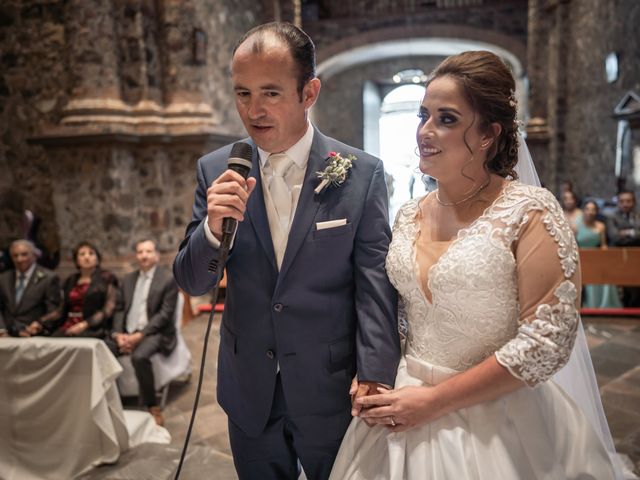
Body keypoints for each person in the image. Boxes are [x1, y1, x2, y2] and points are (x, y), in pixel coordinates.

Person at [329, 51, 619, 479]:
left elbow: (546, 343)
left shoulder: (529, 212)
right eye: (423, 115)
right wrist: (373, 372)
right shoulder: (409, 214)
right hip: (402, 398)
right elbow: (397, 311)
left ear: (488, 135)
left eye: (447, 119)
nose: (425, 132)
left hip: (498, 417)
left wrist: (433, 402)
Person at [173, 22, 400, 480]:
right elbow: (193, 282)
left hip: (331, 388)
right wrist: (213, 232)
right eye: (242, 93)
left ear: (309, 92)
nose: (253, 110)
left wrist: (376, 372)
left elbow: (374, 282)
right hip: (249, 389)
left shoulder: (360, 173)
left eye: (271, 93)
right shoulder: (216, 169)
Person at [106, 239, 178, 426]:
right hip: (127, 332)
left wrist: (140, 335)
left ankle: (151, 405)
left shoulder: (167, 279)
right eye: (140, 252)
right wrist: (117, 334)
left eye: (148, 251)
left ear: (156, 255)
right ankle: (107, 402)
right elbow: (120, 309)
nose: (144, 255)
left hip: (156, 333)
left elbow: (165, 315)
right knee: (103, 348)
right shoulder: (128, 279)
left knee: (139, 356)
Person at [53, 241, 118, 338]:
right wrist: (40, 323)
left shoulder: (107, 278)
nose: (87, 257)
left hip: (94, 327)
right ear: (77, 260)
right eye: (82, 254)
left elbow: (107, 310)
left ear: (97, 259)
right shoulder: (70, 280)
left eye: (91, 253)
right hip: (68, 324)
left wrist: (85, 324)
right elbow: (61, 309)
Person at [0, 240, 61, 337]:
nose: (19, 259)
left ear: (34, 255)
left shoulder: (49, 278)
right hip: (6, 335)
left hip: (34, 336)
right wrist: (2, 330)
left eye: (24, 255)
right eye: (15, 256)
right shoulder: (3, 278)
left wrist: (39, 325)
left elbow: (54, 311)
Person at [576, 200, 623, 309]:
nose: (590, 212)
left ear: (597, 212)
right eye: (587, 209)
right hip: (580, 257)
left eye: (593, 209)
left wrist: (604, 254)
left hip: (595, 256)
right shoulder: (575, 226)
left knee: (606, 272)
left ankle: (605, 305)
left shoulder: (601, 226)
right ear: (583, 211)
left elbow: (603, 245)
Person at [606, 190, 640, 307]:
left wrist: (626, 233)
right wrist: (635, 233)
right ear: (618, 203)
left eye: (628, 201)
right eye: (622, 201)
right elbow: (615, 237)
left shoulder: (638, 215)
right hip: (617, 255)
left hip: (636, 256)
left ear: (634, 202)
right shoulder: (611, 217)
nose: (625, 204)